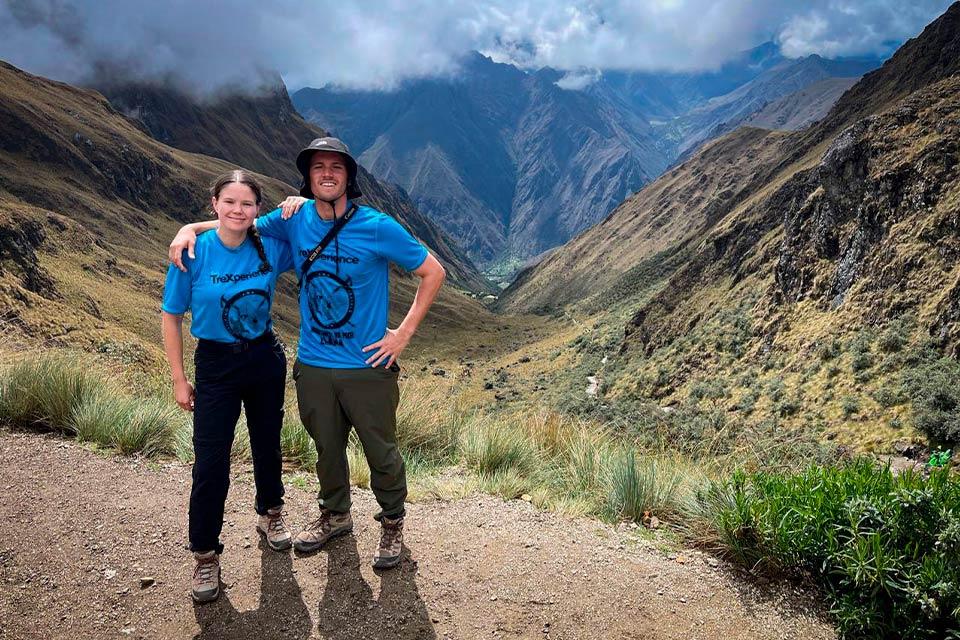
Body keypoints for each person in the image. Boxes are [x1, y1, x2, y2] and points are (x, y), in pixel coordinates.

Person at [168, 137, 446, 570]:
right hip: (314, 364)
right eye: (319, 167)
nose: (328, 173)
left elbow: (433, 270)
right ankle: (335, 515)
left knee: (381, 451)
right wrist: (190, 229)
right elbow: (238, 223)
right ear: (308, 177)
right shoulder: (292, 221)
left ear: (349, 177)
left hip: (367, 365)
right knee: (326, 449)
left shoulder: (376, 225)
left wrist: (403, 334)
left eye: (336, 167)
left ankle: (392, 522)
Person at [161, 170, 296, 603]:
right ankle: (204, 554)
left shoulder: (270, 246)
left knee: (267, 444)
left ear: (258, 210)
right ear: (214, 204)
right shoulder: (192, 253)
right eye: (230, 202)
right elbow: (171, 315)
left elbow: (320, 230)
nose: (238, 210)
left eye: (248, 204)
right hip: (215, 364)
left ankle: (270, 513)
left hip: (263, 357)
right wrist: (180, 379)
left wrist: (298, 204)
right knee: (210, 462)